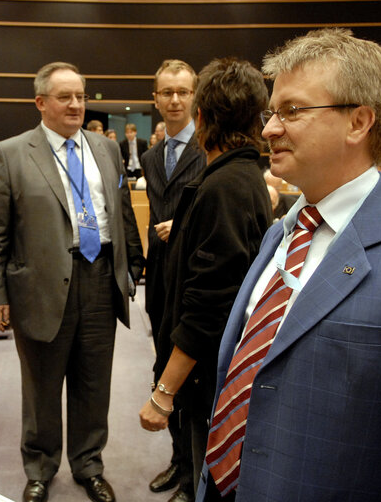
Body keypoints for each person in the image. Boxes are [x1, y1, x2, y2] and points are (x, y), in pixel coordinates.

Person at [195, 27, 381, 502]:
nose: (268, 129)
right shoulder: (279, 235)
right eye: (271, 113)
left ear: (358, 122)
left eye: (291, 111)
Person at [0, 61, 144, 502]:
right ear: (40, 103)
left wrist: (131, 267)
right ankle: (39, 466)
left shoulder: (106, 150)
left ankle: (89, 464)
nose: (76, 105)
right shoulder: (13, 153)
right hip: (40, 286)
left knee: (94, 383)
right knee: (41, 388)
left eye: (81, 96)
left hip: (100, 279)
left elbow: (121, 211)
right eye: (65, 97)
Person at [139, 57, 272, 502]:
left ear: (200, 117)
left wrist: (163, 393)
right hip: (211, 363)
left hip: (208, 375)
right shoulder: (238, 175)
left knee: (209, 477)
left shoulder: (226, 185)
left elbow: (208, 305)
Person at [140, 59, 206, 502]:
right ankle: (179, 460)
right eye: (167, 92)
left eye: (183, 91)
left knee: (192, 380)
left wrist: (180, 227)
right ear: (156, 99)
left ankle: (193, 475)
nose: (175, 100)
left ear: (195, 97)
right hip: (159, 284)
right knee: (161, 370)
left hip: (195, 283)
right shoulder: (150, 155)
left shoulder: (209, 150)